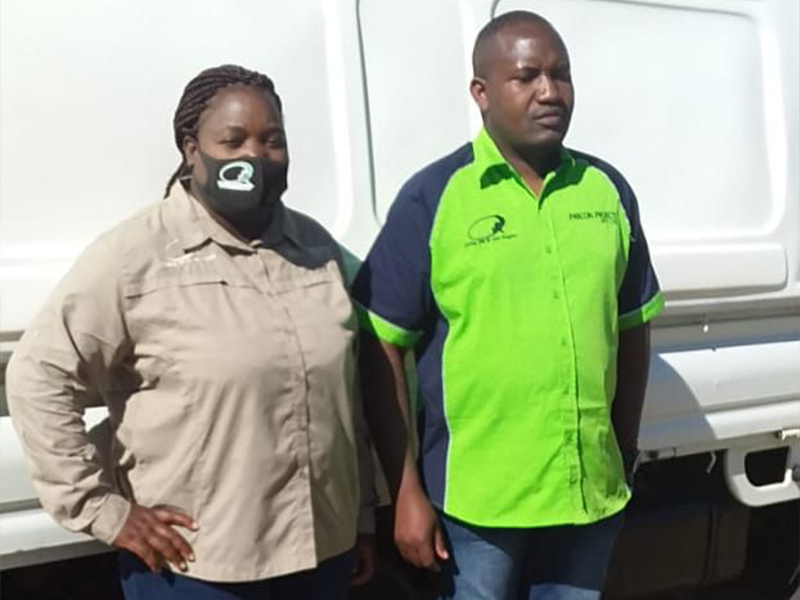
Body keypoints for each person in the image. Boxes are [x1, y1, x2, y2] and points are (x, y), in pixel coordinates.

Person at [6, 64, 375, 599]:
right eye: (233, 140)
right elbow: (37, 376)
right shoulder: (137, 256)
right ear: (191, 150)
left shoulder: (315, 248)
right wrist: (103, 511)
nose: (254, 156)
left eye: (272, 140)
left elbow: (345, 396)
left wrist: (361, 517)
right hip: (198, 568)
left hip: (322, 556)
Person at [354, 11, 663, 600]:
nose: (550, 92)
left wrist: (622, 450)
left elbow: (632, 328)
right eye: (526, 77)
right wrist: (405, 489)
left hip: (586, 497)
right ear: (482, 93)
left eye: (561, 74)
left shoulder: (607, 191)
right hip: (477, 509)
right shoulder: (435, 197)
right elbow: (381, 342)